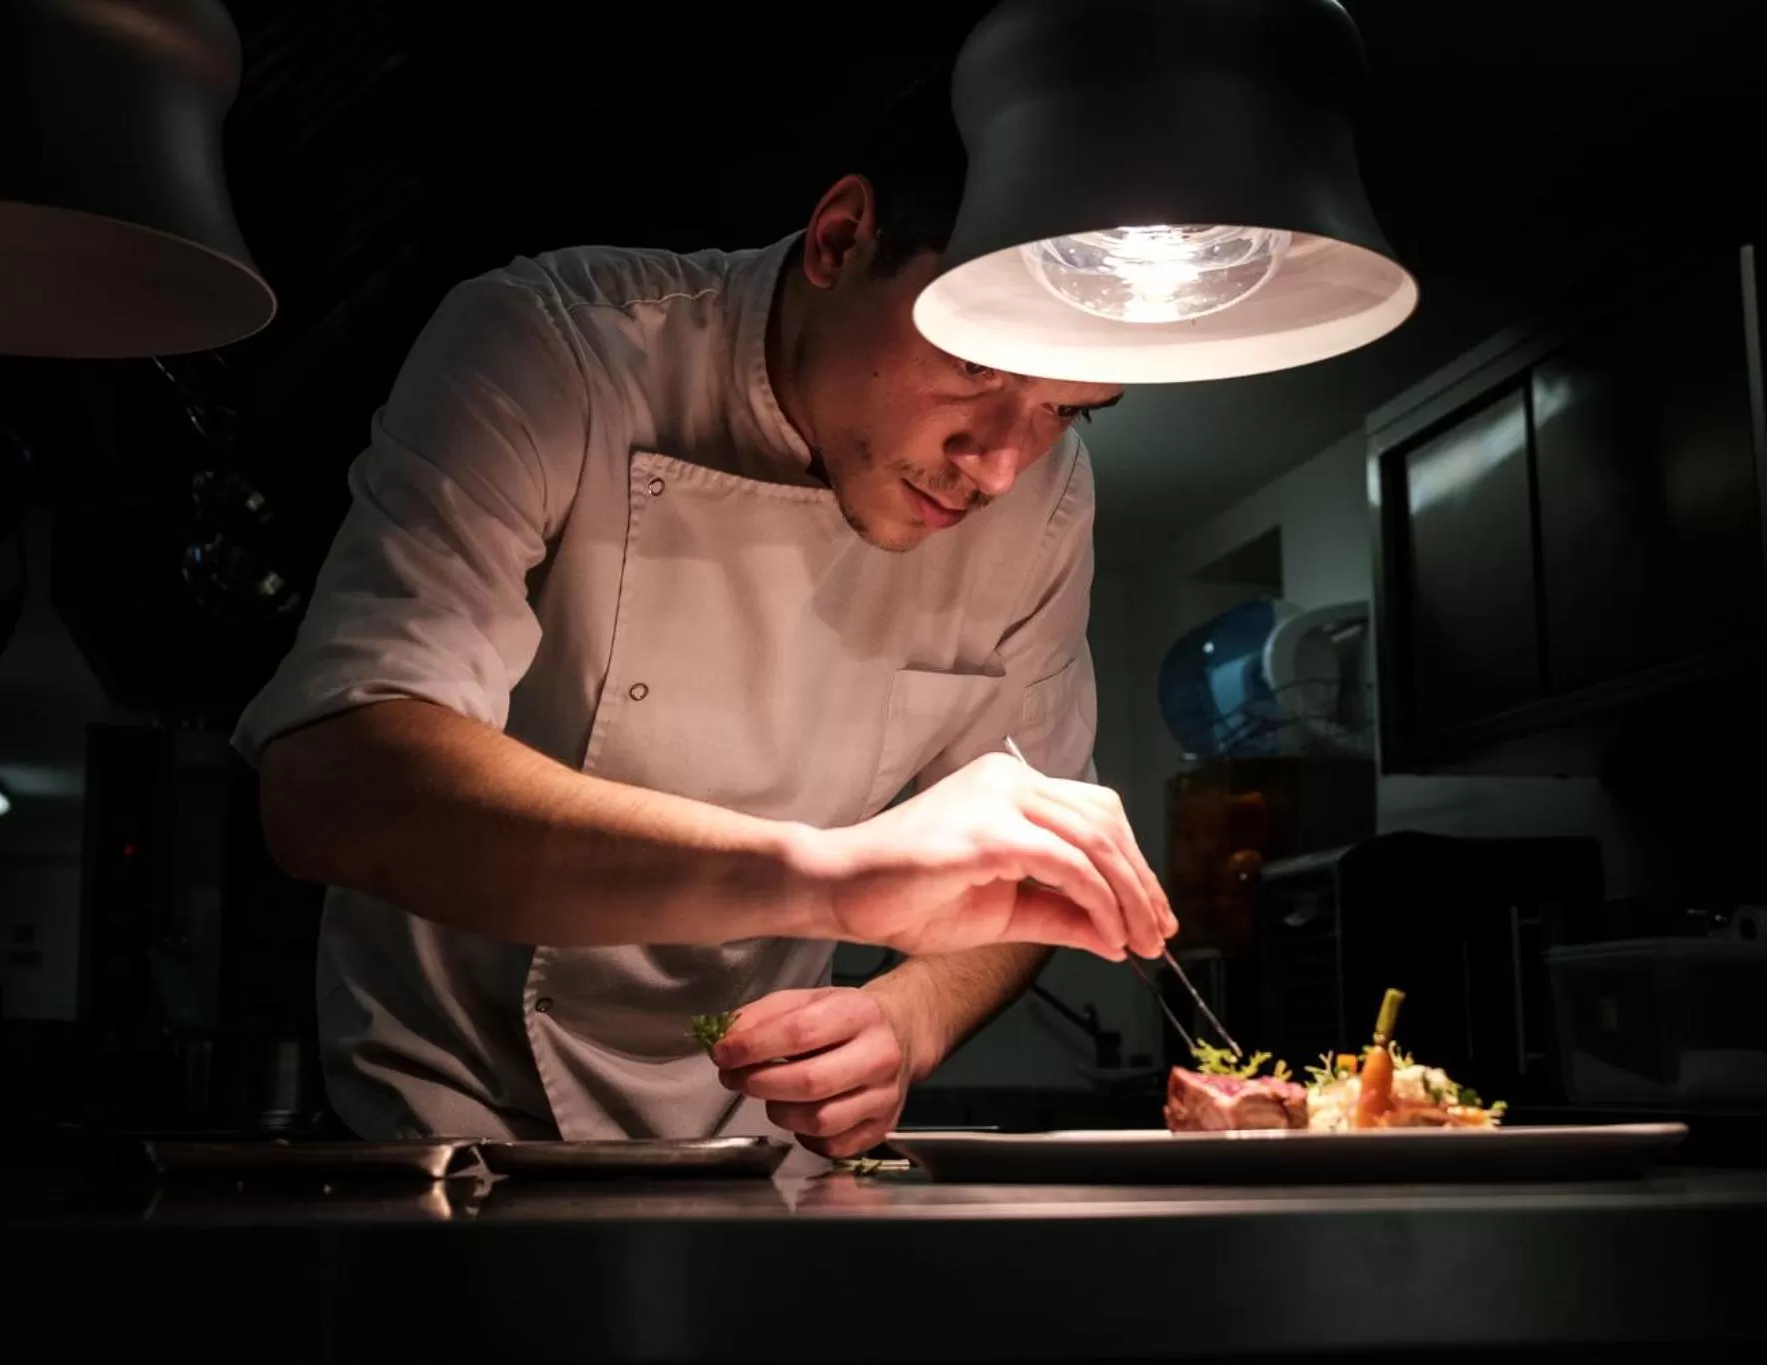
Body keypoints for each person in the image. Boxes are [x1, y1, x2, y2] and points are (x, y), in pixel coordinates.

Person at [233, 74, 1174, 1158]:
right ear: (838, 239)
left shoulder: (1045, 503)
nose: (1001, 466)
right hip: (436, 1125)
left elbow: (1025, 873)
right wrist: (830, 880)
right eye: (972, 368)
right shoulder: (557, 349)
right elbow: (332, 786)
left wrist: (903, 1022)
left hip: (752, 1140)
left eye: (1064, 410)